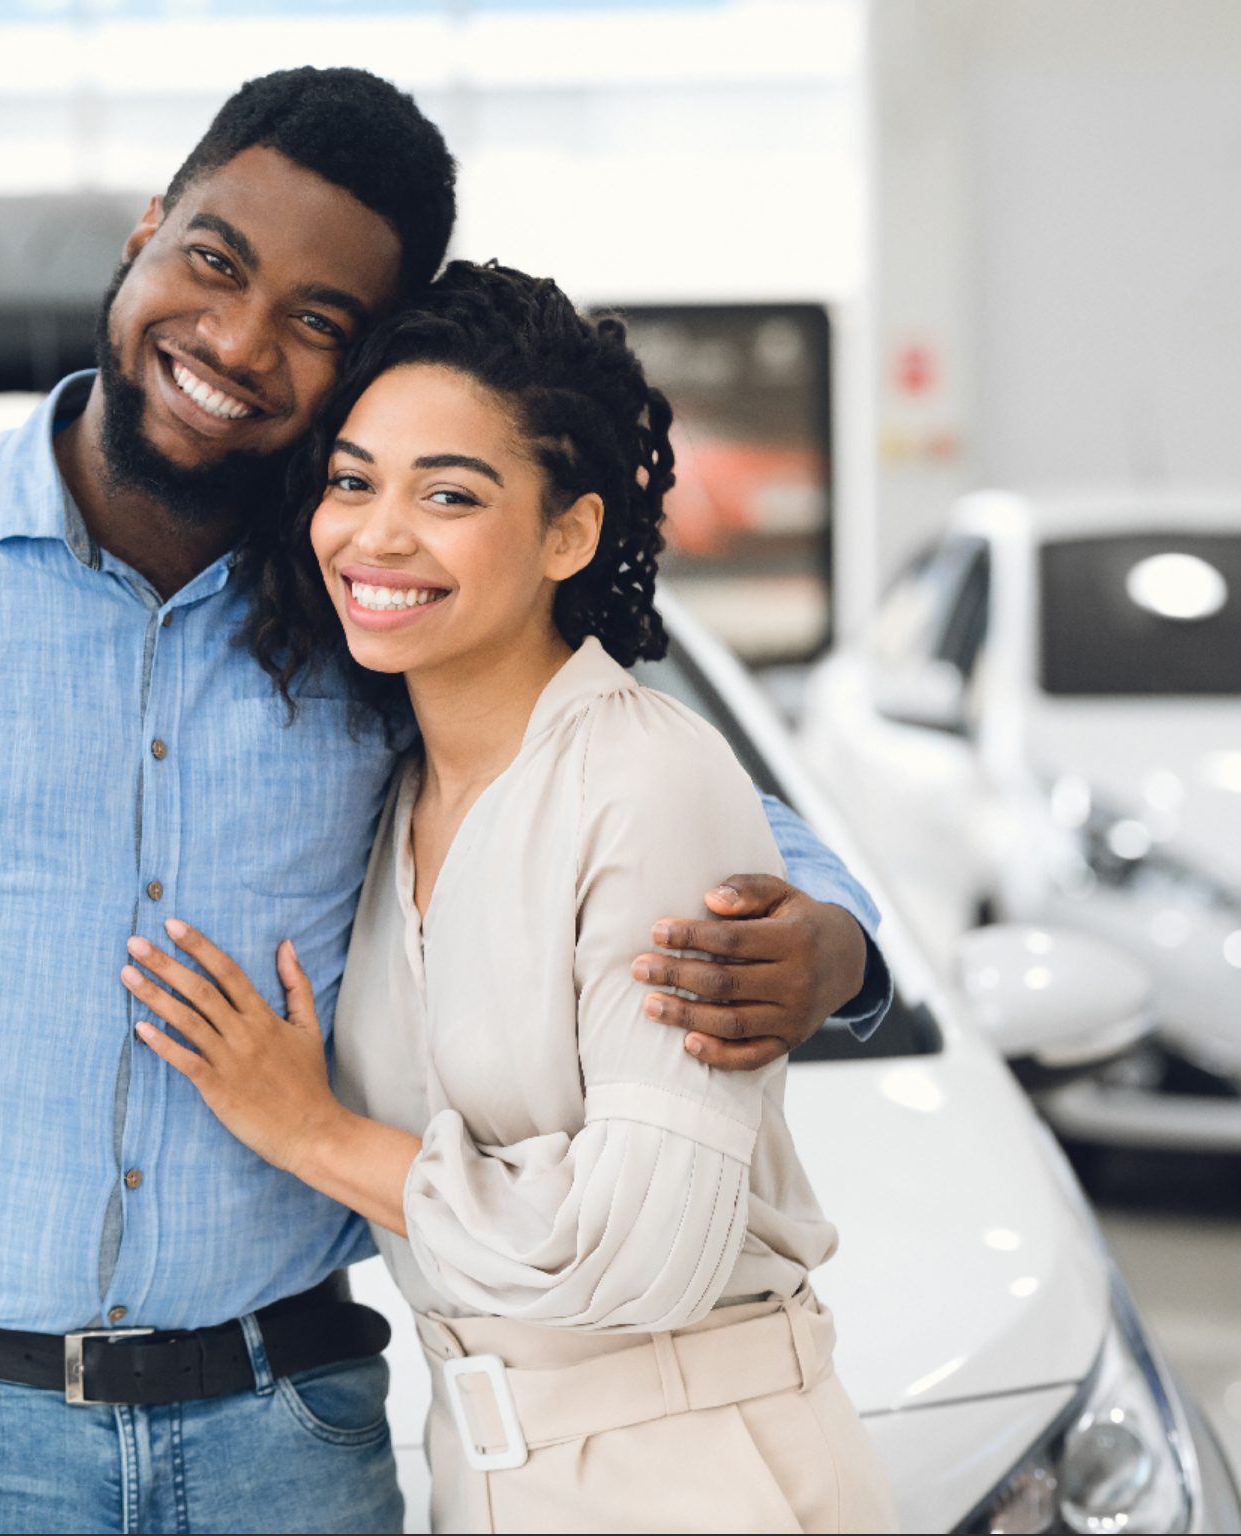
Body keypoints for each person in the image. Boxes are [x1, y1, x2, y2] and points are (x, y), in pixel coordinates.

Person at [0, 68, 891, 1535]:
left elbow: (645, 780)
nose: (240, 341)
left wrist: (835, 945)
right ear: (147, 235)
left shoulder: (370, 592)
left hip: (287, 1426)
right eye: (215, 260)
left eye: (320, 322)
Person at [122, 261, 899, 1533]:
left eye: (447, 495)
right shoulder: (390, 794)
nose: (376, 535)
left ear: (567, 533)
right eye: (351, 480)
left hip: (694, 1471)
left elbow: (639, 1251)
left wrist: (309, 1130)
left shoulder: (641, 775)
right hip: (482, 1470)